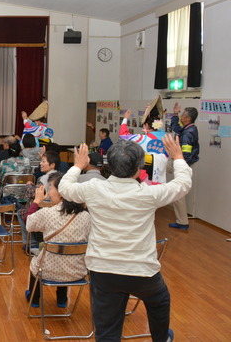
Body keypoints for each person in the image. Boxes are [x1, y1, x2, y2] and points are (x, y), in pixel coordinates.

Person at [58, 137, 191, 342]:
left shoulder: (93, 188)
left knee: (107, 329)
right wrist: (178, 157)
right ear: (139, 169)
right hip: (142, 271)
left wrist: (77, 166)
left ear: (108, 166)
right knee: (160, 302)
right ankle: (161, 337)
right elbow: (182, 184)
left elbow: (65, 188)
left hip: (103, 270)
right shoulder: (149, 193)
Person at [24, 172, 91, 308]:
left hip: (48, 270)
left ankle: (34, 299)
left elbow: (28, 224)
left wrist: (36, 201)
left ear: (61, 192)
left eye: (50, 188)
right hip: (77, 271)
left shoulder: (48, 213)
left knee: (37, 263)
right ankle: (61, 299)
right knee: (67, 254)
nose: (49, 193)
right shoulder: (86, 216)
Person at [169, 103, 199, 230]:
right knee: (158, 165)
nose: (181, 116)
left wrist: (180, 167)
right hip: (178, 161)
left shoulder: (188, 133)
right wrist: (175, 114)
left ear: (188, 119)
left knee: (178, 194)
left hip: (183, 163)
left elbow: (185, 154)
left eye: (182, 115)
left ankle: (182, 222)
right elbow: (176, 127)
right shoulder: (188, 128)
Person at [120, 107, 167, 184]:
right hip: (161, 175)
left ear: (147, 125)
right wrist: (150, 112)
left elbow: (123, 135)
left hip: (146, 175)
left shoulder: (143, 138)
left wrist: (125, 118)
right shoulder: (166, 138)